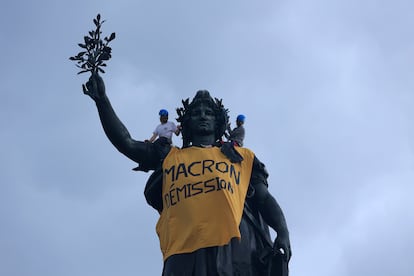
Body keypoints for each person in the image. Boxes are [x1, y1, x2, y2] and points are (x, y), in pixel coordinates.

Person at [82, 73, 291, 275]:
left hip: (235, 251)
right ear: (186, 122)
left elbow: (263, 198)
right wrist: (102, 101)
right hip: (184, 252)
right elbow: (127, 144)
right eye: (196, 113)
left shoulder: (240, 157)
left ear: (218, 121)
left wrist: (283, 231)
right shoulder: (169, 156)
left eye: (208, 113)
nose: (202, 116)